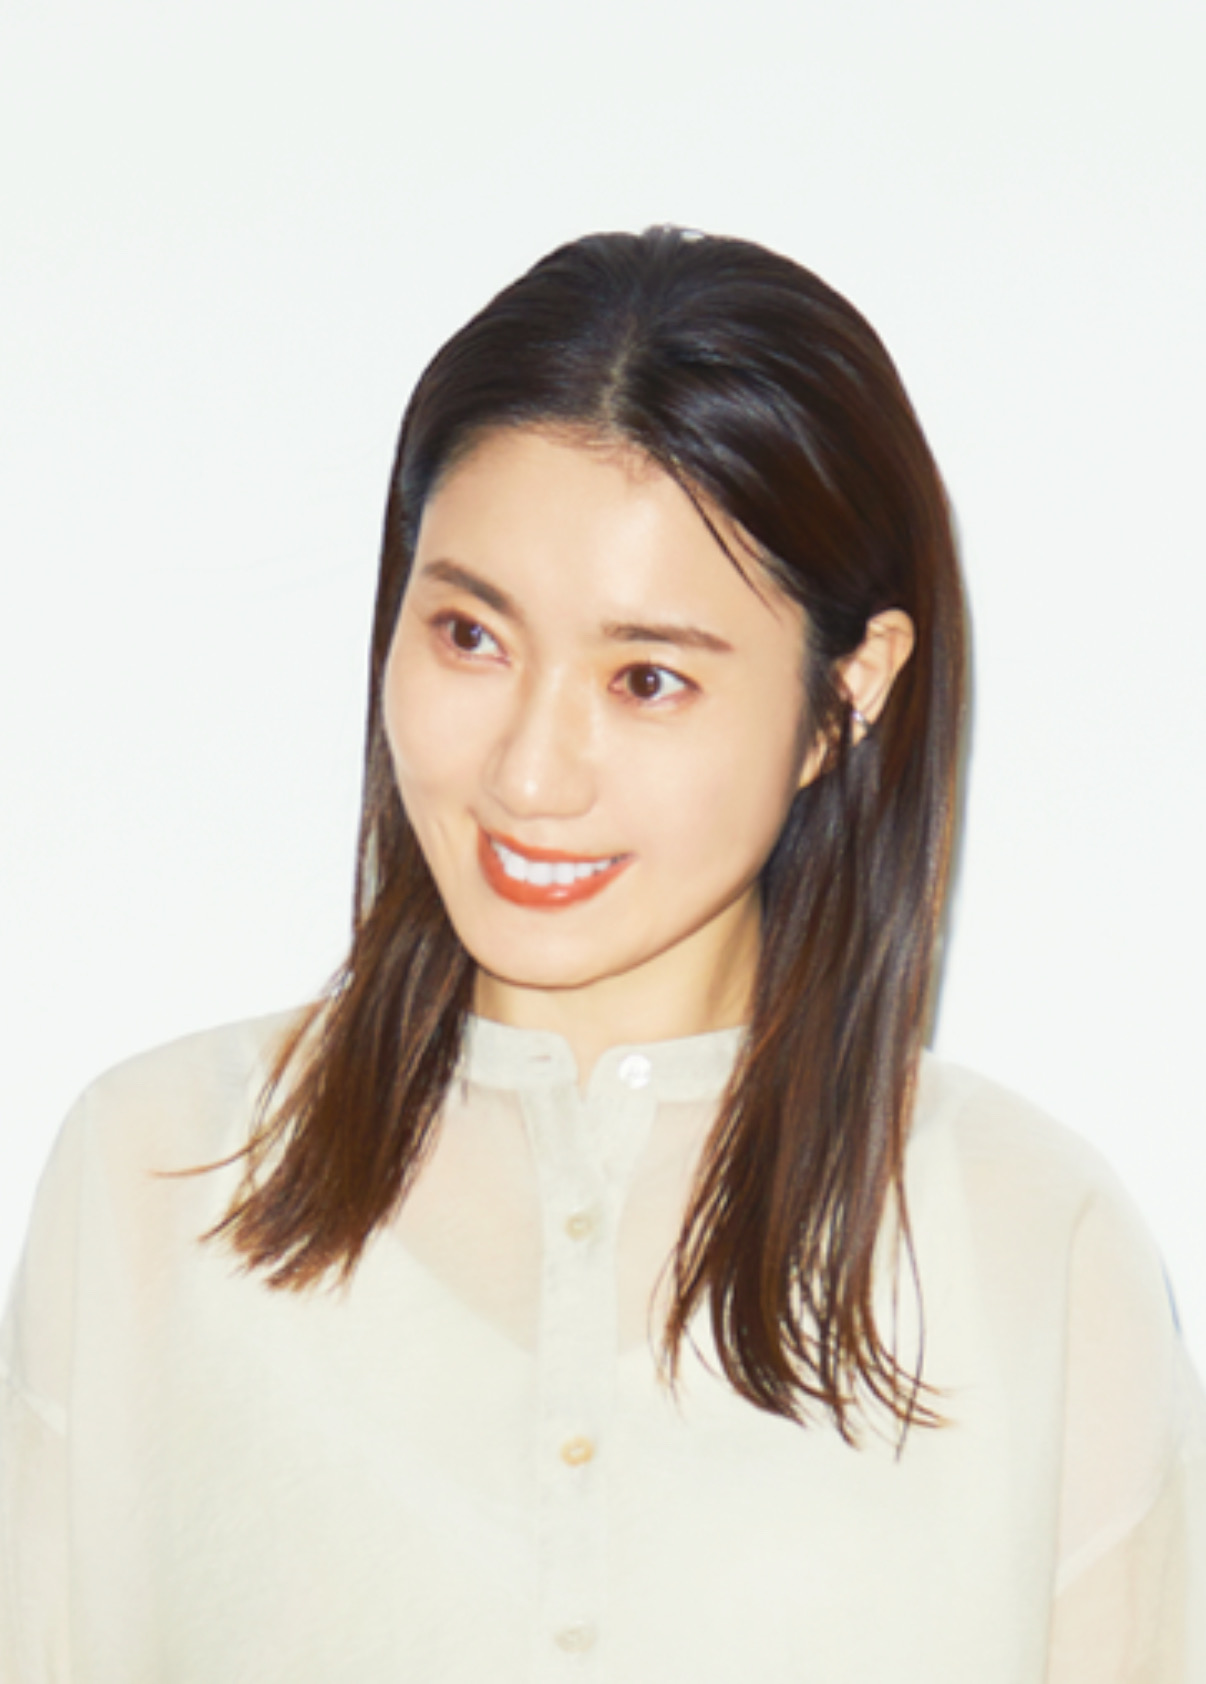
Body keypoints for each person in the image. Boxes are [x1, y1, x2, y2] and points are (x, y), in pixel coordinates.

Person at [1, 226, 1202, 1682]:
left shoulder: (1030, 1240)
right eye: (470, 636)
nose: (528, 773)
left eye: (646, 679)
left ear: (846, 693)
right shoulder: (160, 1175)